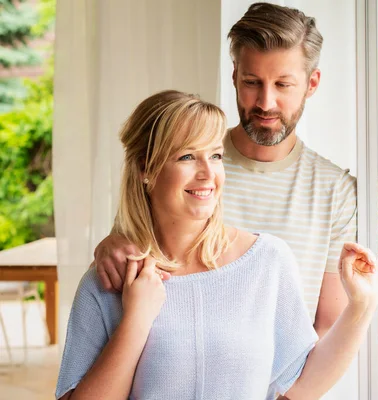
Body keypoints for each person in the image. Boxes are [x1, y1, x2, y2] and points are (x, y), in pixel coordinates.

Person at [55, 90, 378, 400]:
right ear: (145, 169)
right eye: (187, 156)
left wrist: (361, 305)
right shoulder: (110, 279)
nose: (207, 173)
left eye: (215, 155)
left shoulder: (267, 261)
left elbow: (300, 383)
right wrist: (136, 320)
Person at [92, 2, 356, 337]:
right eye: (251, 82)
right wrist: (112, 244)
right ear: (234, 75)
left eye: (283, 85)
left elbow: (327, 325)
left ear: (312, 83)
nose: (265, 103)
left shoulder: (337, 191)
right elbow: (131, 242)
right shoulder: (184, 170)